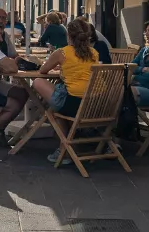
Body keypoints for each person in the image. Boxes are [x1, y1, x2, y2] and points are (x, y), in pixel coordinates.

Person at [32, 18, 100, 162]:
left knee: (38, 82)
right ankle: (67, 148)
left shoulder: (62, 53)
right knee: (56, 110)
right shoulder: (94, 53)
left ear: (68, 35)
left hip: (75, 104)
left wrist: (59, 66)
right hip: (95, 104)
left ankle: (65, 150)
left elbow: (43, 70)